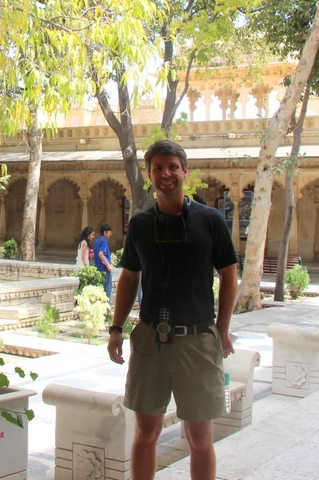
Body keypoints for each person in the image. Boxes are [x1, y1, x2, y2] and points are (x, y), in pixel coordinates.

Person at [106, 139, 237, 480]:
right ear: (149, 174)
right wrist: (116, 329)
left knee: (199, 437)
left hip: (197, 339)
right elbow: (129, 278)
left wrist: (222, 329)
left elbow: (229, 276)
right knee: (146, 433)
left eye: (172, 167)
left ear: (185, 171)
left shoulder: (210, 220)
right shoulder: (140, 224)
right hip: (151, 339)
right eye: (158, 168)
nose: (166, 174)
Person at [93, 223, 114, 301]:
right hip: (105, 269)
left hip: (98, 269)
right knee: (107, 292)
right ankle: (107, 307)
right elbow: (101, 254)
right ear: (105, 232)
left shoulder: (97, 241)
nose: (110, 234)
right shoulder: (104, 241)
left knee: (100, 292)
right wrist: (108, 265)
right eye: (109, 232)